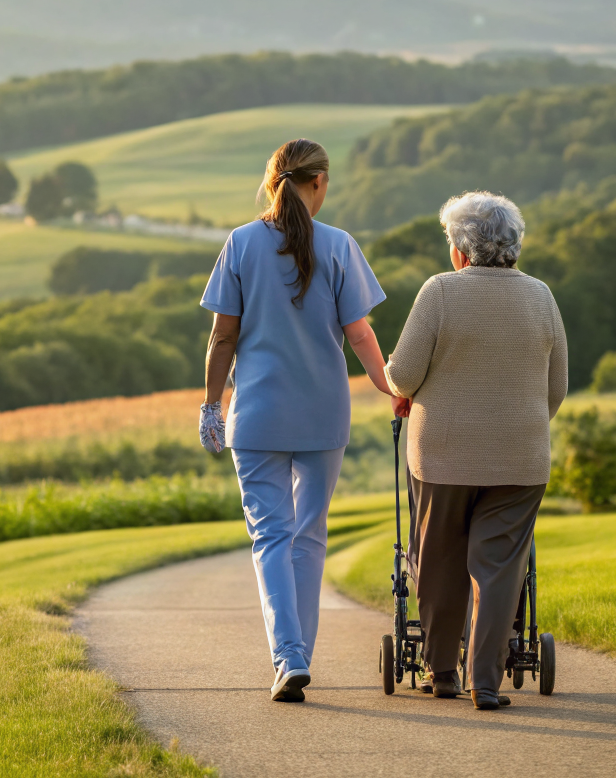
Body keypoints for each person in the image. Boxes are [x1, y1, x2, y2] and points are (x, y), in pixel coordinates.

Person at [200, 138, 398, 703]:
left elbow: (223, 336)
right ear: (320, 184)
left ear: (270, 182)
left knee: (270, 536)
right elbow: (360, 334)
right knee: (308, 536)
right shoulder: (339, 245)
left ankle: (289, 658)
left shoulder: (240, 244)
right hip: (323, 412)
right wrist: (391, 387)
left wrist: (212, 405)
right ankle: (299, 657)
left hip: (257, 415)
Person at [385, 190, 567, 711]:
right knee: (498, 567)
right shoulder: (542, 297)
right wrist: (518, 425)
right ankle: (483, 683)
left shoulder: (440, 292)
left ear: (460, 250)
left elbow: (402, 374)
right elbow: (556, 388)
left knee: (439, 558)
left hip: (442, 455)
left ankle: (440, 672)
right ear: (511, 246)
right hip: (520, 458)